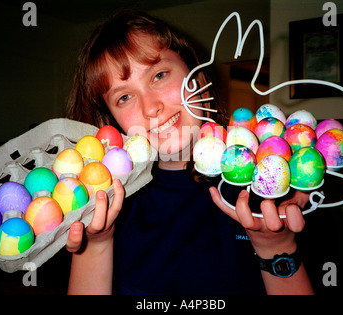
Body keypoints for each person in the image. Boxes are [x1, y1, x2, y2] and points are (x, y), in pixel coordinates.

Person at [65, 9, 314, 295]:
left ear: (197, 78)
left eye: (159, 75)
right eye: (124, 97)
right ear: (111, 120)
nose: (150, 107)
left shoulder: (272, 184)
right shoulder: (105, 207)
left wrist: (277, 248)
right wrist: (96, 244)